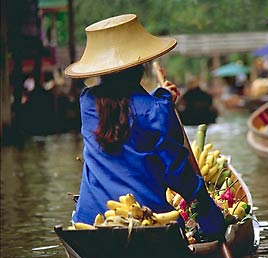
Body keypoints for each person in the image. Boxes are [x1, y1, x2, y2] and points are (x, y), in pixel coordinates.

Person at [64, 14, 224, 239]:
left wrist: (162, 100)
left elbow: (126, 109)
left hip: (90, 221)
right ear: (140, 67)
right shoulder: (156, 110)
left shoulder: (87, 102)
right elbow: (177, 173)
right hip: (148, 219)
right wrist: (206, 207)